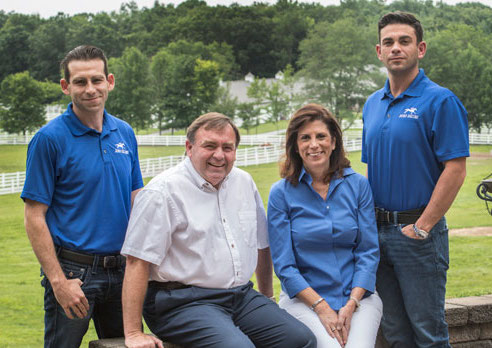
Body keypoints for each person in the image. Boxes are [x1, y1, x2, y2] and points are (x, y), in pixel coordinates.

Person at [121, 112, 317, 348]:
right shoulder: (162, 192)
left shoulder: (243, 182)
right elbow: (137, 261)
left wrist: (267, 298)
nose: (219, 155)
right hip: (181, 302)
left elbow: (261, 245)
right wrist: (133, 332)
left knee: (301, 340)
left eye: (227, 147)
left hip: (240, 296)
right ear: (189, 147)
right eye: (210, 146)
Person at [21, 45, 143, 348]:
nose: (90, 89)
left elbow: (137, 198)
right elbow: (34, 216)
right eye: (80, 82)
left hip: (123, 269)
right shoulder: (49, 140)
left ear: (109, 81)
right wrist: (58, 282)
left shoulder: (124, 133)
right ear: (66, 86)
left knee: (129, 346)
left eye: (97, 80)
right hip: (75, 273)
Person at [362, 11, 469, 348]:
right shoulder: (372, 105)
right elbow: (372, 169)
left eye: (404, 41)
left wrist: (422, 226)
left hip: (418, 235)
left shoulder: (440, 100)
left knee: (428, 334)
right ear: (379, 51)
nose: (396, 48)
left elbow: (455, 168)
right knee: (395, 333)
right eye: (388, 42)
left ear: (420, 48)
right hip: (377, 236)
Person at [268, 103, 382, 348]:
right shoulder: (281, 194)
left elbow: (368, 252)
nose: (314, 144)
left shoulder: (359, 186)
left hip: (359, 299)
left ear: (333, 142)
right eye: (305, 138)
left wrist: (351, 304)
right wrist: (321, 307)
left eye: (321, 136)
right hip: (303, 301)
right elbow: (285, 267)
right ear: (295, 146)